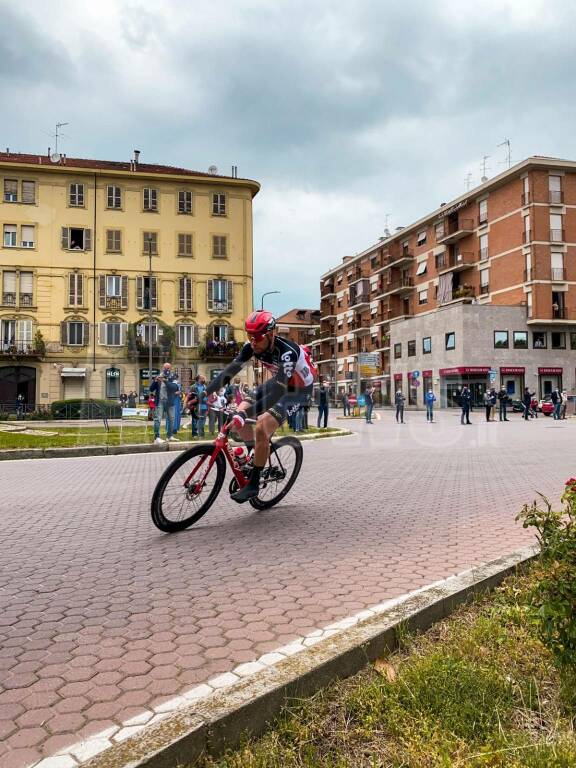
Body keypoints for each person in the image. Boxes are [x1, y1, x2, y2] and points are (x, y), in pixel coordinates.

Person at [205, 310, 317, 502]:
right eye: (250, 337)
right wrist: (205, 392)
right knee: (239, 415)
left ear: (272, 334)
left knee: (262, 425)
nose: (253, 342)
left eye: (257, 337)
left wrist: (246, 413)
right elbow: (230, 371)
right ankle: (254, 455)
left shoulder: (287, 352)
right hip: (278, 383)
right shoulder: (252, 347)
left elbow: (278, 393)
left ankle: (254, 484)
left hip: (297, 390)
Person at [149, 362, 180, 443]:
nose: (167, 370)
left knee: (172, 419)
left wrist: (165, 381)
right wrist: (155, 381)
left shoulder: (173, 377)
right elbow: (151, 389)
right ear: (163, 368)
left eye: (168, 368)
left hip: (170, 402)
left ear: (170, 369)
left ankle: (169, 436)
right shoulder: (159, 376)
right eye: (165, 368)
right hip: (160, 401)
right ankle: (157, 437)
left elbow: (174, 388)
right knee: (157, 419)